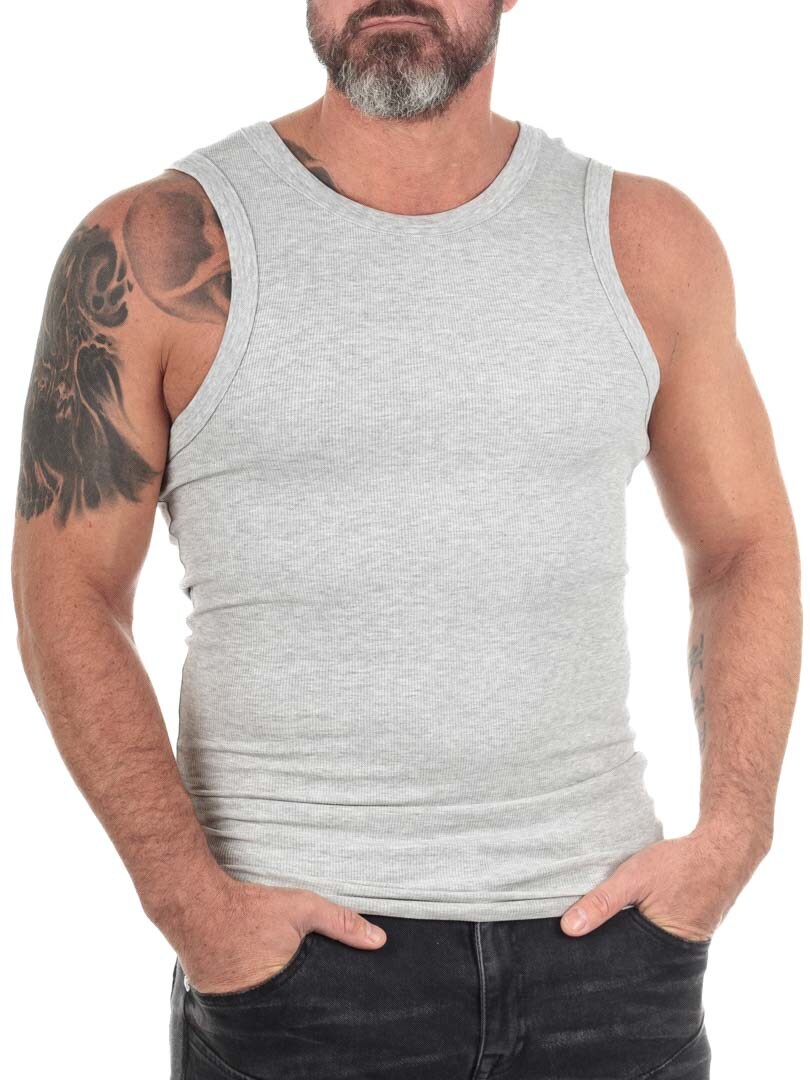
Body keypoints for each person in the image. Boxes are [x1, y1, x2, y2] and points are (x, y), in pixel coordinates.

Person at [11, 2, 801, 1077]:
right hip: (296, 971)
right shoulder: (155, 251)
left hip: (610, 952)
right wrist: (194, 909)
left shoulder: (646, 242)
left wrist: (735, 835)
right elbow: (67, 589)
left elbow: (744, 544)